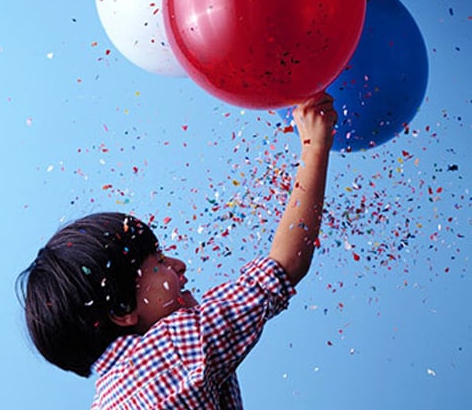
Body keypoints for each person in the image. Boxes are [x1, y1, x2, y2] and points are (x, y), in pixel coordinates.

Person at [17, 92, 337, 409]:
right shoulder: (171, 352)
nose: (179, 265)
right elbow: (282, 268)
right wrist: (314, 144)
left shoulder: (109, 398)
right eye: (157, 261)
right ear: (122, 311)